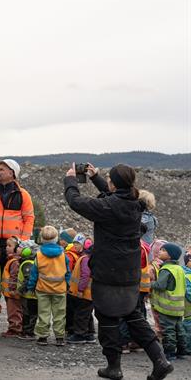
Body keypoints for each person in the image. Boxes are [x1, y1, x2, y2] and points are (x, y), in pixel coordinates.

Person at [65, 163, 173, 380]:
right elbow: (116, 196)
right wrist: (96, 178)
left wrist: (70, 180)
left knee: (107, 317)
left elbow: (76, 202)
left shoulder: (109, 206)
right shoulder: (136, 203)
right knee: (133, 314)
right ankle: (160, 360)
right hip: (129, 273)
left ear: (115, 183)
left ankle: (114, 367)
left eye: (109, 179)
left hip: (108, 273)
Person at [0, 159, 35, 267]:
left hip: (13, 245)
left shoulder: (23, 195)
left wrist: (22, 243)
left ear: (11, 173)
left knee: (11, 275)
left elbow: (29, 219)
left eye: (1, 169)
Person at [25, 225, 70, 346]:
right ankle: (60, 337)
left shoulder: (39, 255)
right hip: (59, 289)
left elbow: (34, 273)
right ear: (56, 239)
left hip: (43, 288)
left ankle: (42, 337)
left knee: (43, 313)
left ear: (42, 239)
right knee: (59, 314)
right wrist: (68, 284)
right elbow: (67, 272)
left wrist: (31, 287)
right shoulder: (63, 254)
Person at [151, 242, 188, 361]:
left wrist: (150, 284)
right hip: (178, 307)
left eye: (163, 250)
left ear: (170, 256)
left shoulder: (166, 269)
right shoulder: (179, 268)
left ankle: (170, 352)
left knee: (168, 330)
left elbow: (160, 285)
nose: (160, 252)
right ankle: (182, 351)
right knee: (179, 329)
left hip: (167, 307)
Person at [67, 236, 96, 344]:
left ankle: (80, 334)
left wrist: (80, 289)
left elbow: (85, 275)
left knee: (81, 314)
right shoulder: (90, 259)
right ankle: (89, 334)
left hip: (84, 293)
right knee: (87, 314)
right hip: (89, 293)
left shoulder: (85, 259)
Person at [1, 236, 23, 338]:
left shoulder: (14, 262)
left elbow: (14, 277)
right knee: (12, 310)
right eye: (6, 245)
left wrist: (12, 290)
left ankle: (15, 329)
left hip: (12, 293)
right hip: (9, 292)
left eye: (9, 246)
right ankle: (14, 328)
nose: (6, 248)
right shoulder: (11, 260)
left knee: (14, 311)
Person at [17, 243, 39, 340]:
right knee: (31, 314)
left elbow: (28, 279)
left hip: (29, 295)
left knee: (28, 314)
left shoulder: (27, 263)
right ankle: (28, 332)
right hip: (31, 295)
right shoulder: (31, 262)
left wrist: (21, 290)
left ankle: (28, 332)